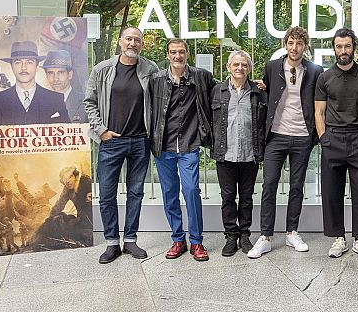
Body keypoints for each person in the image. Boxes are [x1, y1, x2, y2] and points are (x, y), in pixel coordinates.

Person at [84, 26, 159, 264]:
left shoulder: (150, 69)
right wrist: (101, 130)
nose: (133, 43)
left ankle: (130, 240)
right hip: (111, 142)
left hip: (140, 141)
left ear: (142, 44)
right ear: (120, 42)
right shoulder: (102, 69)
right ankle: (111, 243)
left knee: (135, 192)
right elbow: (90, 102)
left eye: (137, 40)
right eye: (129, 39)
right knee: (107, 194)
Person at [249, 27, 323, 259]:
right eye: (291, 43)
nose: (294, 47)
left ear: (305, 46)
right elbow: (268, 93)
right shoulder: (272, 67)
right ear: (285, 44)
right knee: (269, 184)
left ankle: (292, 231)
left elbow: (320, 103)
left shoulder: (315, 71)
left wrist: (315, 135)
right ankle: (265, 236)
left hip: (302, 136)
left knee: (296, 186)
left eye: (299, 44)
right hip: (276, 136)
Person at [315, 28, 358, 260]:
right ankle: (338, 238)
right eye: (339, 46)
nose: (343, 51)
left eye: (347, 46)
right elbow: (319, 111)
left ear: (354, 48)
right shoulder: (325, 77)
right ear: (334, 48)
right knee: (332, 192)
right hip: (333, 139)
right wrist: (324, 138)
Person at [149, 38, 215, 262]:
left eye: (181, 52)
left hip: (189, 145)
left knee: (191, 191)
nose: (177, 56)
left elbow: (223, 91)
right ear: (167, 55)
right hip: (163, 146)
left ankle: (196, 242)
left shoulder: (200, 76)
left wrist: (253, 85)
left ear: (187, 54)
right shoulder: (156, 79)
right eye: (173, 52)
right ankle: (178, 239)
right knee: (169, 194)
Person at [211, 50, 267, 257]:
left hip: (249, 154)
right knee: (227, 197)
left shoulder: (258, 92)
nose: (240, 68)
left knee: (246, 197)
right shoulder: (217, 91)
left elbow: (264, 121)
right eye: (236, 64)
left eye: (244, 65)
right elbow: (209, 120)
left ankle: (244, 235)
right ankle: (230, 236)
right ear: (228, 67)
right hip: (225, 154)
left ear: (249, 68)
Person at [0, 41, 70, 126]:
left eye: (29, 62)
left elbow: (68, 136)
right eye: (18, 62)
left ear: (37, 66)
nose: (23, 68)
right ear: (11, 67)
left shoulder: (56, 99)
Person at [42, 49, 88, 123]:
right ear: (46, 76)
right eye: (51, 73)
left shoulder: (85, 102)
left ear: (70, 74)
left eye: (60, 72)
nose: (55, 78)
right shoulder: (41, 102)